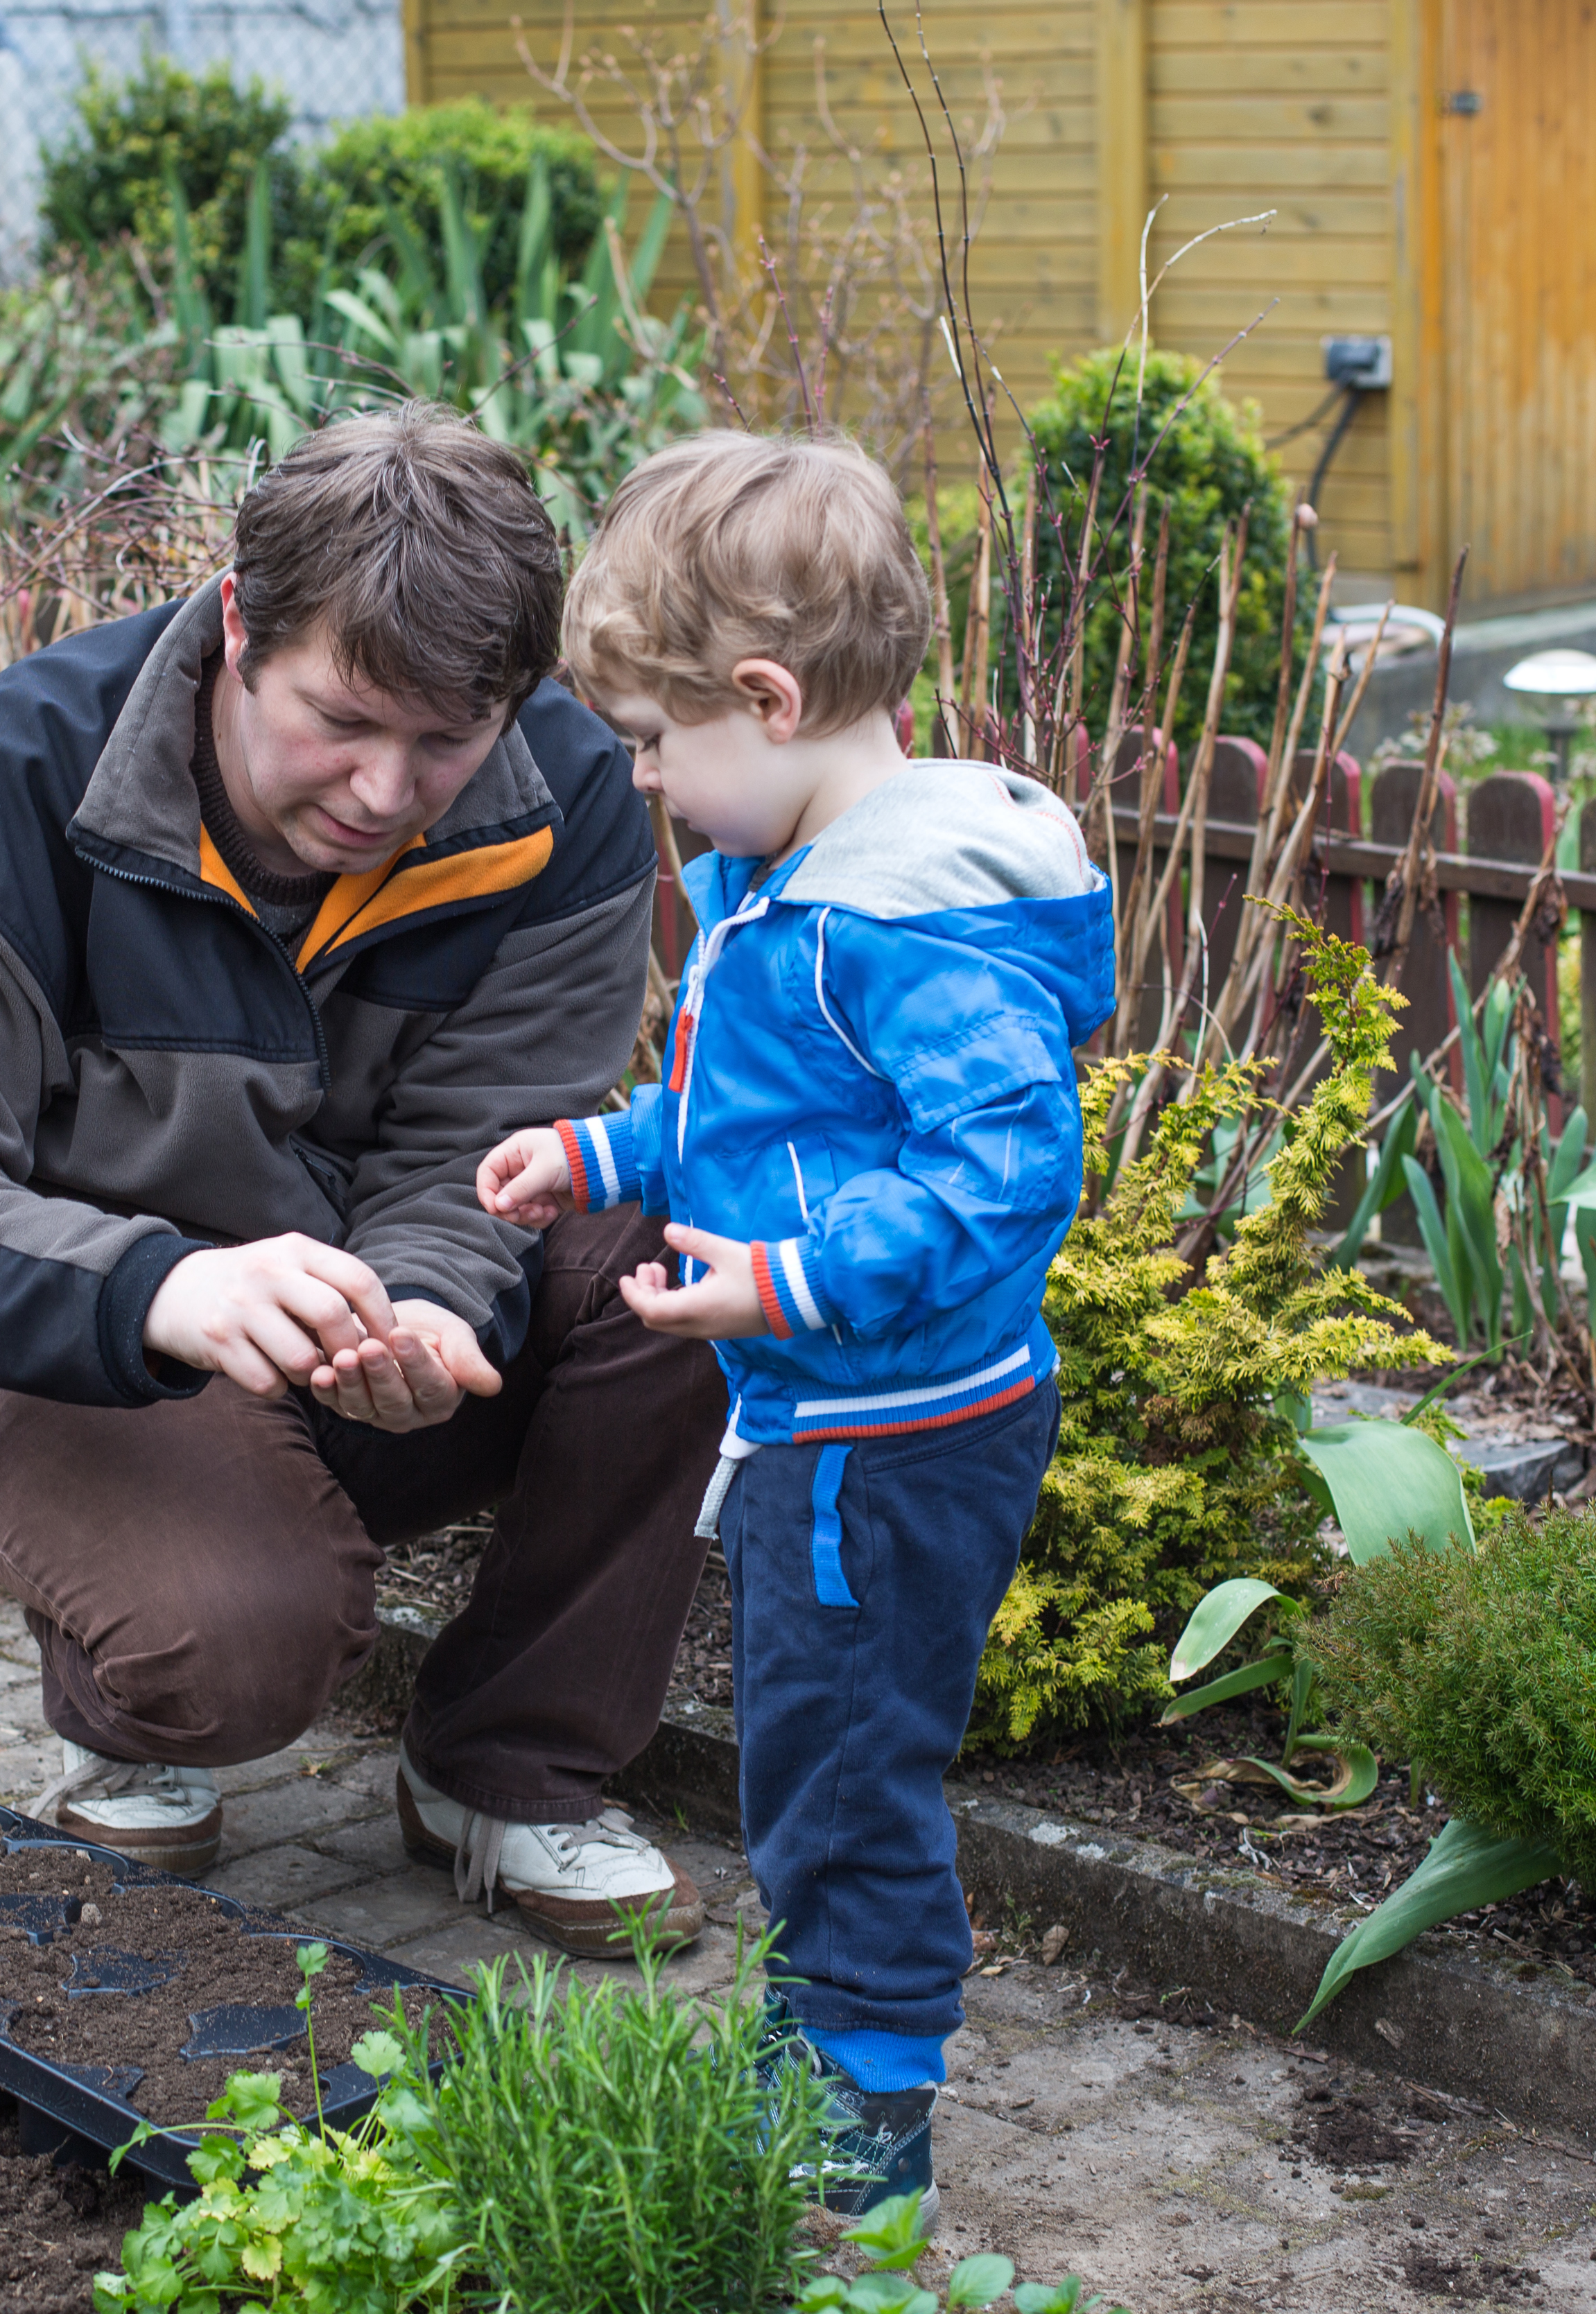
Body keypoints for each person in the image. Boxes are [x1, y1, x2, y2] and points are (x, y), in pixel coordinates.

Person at [0, 404, 720, 1955]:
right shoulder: (12, 784)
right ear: (235, 625)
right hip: (74, 1339)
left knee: (688, 1244)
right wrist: (164, 1288)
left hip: (359, 1309)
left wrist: (422, 1304)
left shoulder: (559, 801)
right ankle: (130, 1710)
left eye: (445, 736)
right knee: (232, 1647)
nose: (384, 789)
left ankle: (507, 1764)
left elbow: (475, 1142)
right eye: (339, 719)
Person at [476, 431, 1111, 2215]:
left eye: (656, 749)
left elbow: (1004, 1177)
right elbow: (760, 1120)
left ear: (764, 697)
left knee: (842, 1775)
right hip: (819, 1416)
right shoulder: (787, 892)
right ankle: (820, 2026)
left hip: (885, 1433)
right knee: (805, 1759)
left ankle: (866, 2113)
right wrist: (597, 1149)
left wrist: (784, 1283)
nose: (649, 785)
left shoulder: (894, 928)